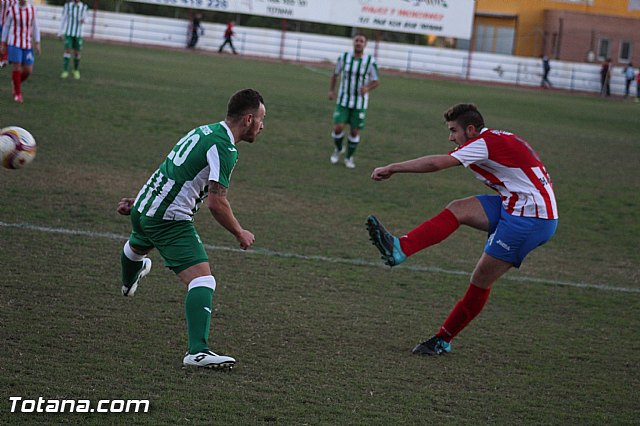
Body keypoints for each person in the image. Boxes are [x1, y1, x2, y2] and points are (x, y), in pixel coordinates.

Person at [366, 103, 558, 356]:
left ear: (470, 129)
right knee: (459, 208)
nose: (451, 137)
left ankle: (442, 340)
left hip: (531, 217)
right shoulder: (496, 137)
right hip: (517, 204)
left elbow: (436, 164)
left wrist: (392, 167)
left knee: (480, 279)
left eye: (453, 130)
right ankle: (400, 248)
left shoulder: (483, 143)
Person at [116, 89, 266, 369]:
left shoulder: (204, 131)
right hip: (169, 219)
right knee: (203, 281)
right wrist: (239, 232)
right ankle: (198, 352)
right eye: (260, 119)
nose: (262, 125)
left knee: (137, 246)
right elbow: (216, 202)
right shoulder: (225, 147)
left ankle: (128, 281)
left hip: (146, 208)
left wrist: (140, 200)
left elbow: (172, 170)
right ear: (248, 119)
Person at [328, 33, 380, 169]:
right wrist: (332, 90)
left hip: (360, 103)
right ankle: (338, 149)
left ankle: (349, 157)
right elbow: (335, 74)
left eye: (361, 41)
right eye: (356, 40)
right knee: (338, 127)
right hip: (343, 100)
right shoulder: (344, 58)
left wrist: (367, 88)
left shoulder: (370, 62)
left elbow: (376, 81)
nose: (358, 43)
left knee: (354, 132)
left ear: (365, 44)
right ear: (353, 42)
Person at [0, 0, 40, 103]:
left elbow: (35, 26)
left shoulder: (32, 9)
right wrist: (3, 43)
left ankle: (15, 83)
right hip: (14, 43)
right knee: (17, 66)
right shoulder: (12, 9)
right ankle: (17, 94)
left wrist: (37, 42)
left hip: (27, 44)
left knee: (28, 70)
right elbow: (6, 27)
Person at [58, 0, 88, 80]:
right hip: (68, 33)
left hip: (78, 34)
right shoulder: (67, 5)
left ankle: (75, 70)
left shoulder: (84, 7)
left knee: (77, 53)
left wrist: (84, 20)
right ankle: (65, 71)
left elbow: (87, 19)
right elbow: (63, 18)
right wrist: (60, 32)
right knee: (67, 50)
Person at [0, 0, 18, 68]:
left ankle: (4, 58)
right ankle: (4, 58)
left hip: (8, 24)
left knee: (6, 41)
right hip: (2, 23)